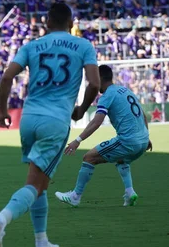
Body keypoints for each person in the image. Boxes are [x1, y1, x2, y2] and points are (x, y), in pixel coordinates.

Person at [0, 3, 100, 247]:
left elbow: (6, 78)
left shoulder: (32, 46)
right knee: (35, 184)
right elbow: (95, 82)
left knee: (41, 182)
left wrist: (3, 111)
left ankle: (41, 242)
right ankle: (1, 219)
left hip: (29, 119)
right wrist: (80, 109)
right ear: (71, 23)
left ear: (46, 23)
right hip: (55, 121)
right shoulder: (83, 46)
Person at [56, 65, 152, 207]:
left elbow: (97, 121)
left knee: (89, 158)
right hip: (143, 141)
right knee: (121, 159)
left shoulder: (107, 96)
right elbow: (143, 114)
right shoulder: (125, 90)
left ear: (99, 78)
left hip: (128, 141)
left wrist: (78, 140)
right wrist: (147, 137)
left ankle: (75, 196)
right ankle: (130, 192)